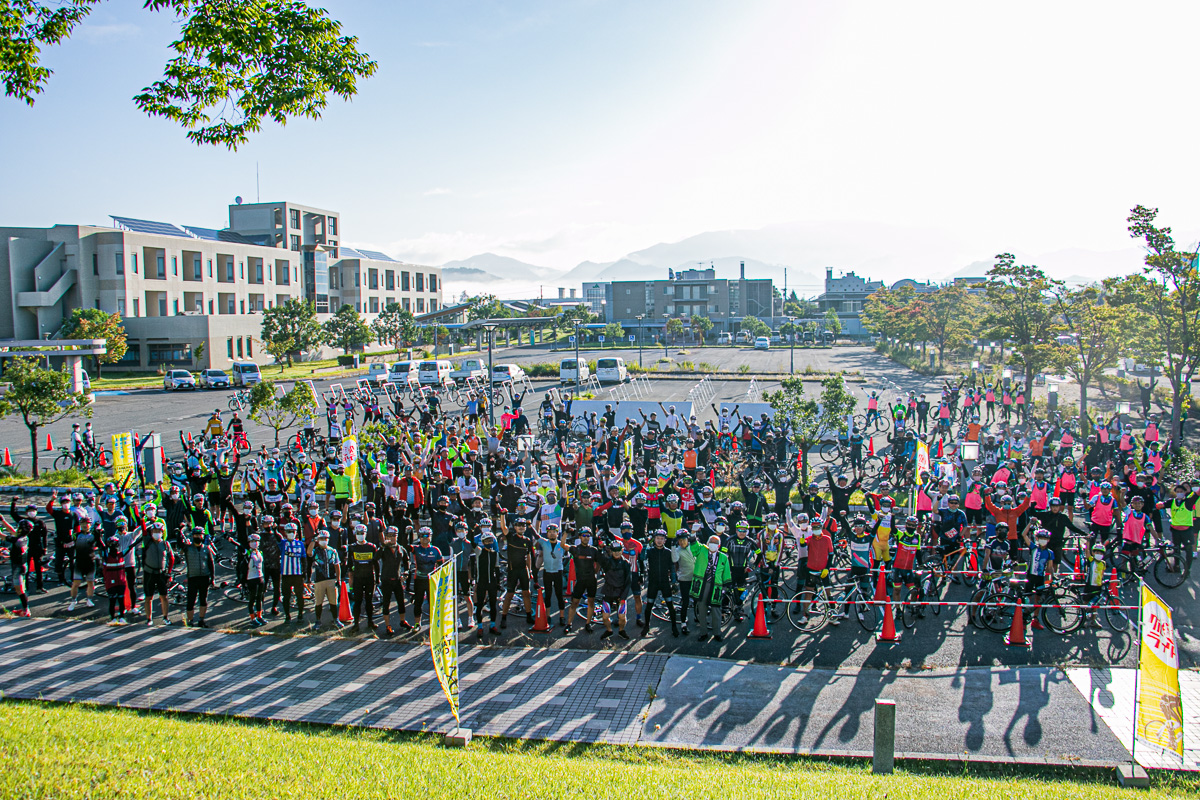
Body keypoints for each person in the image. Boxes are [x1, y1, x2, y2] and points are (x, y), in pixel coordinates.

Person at [691, 534, 731, 642]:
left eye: (716, 543)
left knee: (716, 610)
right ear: (708, 544)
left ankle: (717, 633)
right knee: (702, 609)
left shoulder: (723, 557)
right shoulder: (702, 551)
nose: (713, 545)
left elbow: (726, 572)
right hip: (702, 585)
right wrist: (693, 533)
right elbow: (694, 546)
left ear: (719, 546)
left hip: (716, 586)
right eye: (711, 542)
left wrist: (726, 585)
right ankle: (703, 632)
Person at [643, 530, 679, 637]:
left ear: (665, 540)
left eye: (662, 539)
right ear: (654, 539)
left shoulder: (668, 552)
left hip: (664, 582)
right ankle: (646, 626)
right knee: (649, 605)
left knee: (670, 605)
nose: (659, 541)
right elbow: (642, 559)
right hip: (653, 582)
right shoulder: (649, 551)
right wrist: (645, 545)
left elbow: (672, 567)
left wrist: (673, 581)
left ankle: (674, 626)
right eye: (657, 538)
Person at [346, 523, 379, 632]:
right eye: (358, 533)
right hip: (358, 578)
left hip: (369, 577)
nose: (360, 535)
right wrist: (350, 579)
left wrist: (377, 578)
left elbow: (376, 564)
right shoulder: (352, 547)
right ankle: (356, 624)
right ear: (355, 534)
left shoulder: (372, 547)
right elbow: (349, 565)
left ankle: (370, 621)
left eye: (362, 533)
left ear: (366, 534)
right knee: (358, 601)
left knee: (369, 601)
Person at [308, 530, 343, 630]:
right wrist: (313, 540)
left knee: (333, 601)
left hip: (331, 579)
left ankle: (336, 619)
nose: (324, 541)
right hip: (319, 580)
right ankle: (318, 621)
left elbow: (337, 565)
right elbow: (309, 552)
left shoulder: (333, 551)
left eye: (325, 539)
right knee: (318, 602)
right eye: (321, 539)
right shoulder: (315, 551)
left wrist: (338, 579)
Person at [141, 521, 174, 627]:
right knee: (148, 597)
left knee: (164, 596)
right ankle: (148, 618)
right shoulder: (147, 541)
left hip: (161, 573)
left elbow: (171, 558)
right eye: (154, 531)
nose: (156, 533)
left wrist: (168, 572)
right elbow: (142, 527)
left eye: (159, 531)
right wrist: (143, 518)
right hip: (149, 573)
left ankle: (165, 617)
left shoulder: (165, 544)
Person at [180, 526, 214, 628]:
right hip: (192, 577)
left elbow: (211, 563)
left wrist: (212, 578)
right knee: (191, 600)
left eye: (200, 535)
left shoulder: (206, 548)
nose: (198, 536)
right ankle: (190, 620)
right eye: (196, 535)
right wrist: (180, 532)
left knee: (203, 600)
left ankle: (201, 619)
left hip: (204, 576)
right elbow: (180, 545)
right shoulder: (188, 548)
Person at [598, 539, 632, 640]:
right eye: (614, 551)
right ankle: (609, 631)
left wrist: (623, 598)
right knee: (605, 616)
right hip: (608, 592)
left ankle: (621, 631)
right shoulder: (607, 562)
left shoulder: (626, 564)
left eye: (618, 550)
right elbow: (599, 558)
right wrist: (600, 548)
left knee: (622, 616)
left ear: (622, 550)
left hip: (620, 593)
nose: (616, 553)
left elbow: (628, 582)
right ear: (611, 551)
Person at [278, 521, 307, 624]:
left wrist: (305, 572)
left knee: (300, 596)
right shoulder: (283, 543)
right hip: (286, 574)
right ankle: (287, 616)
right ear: (285, 532)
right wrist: (273, 527)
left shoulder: (300, 544)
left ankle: (300, 615)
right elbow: (277, 537)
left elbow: (304, 559)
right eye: (289, 531)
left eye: (293, 531)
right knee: (286, 597)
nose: (291, 533)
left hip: (298, 574)